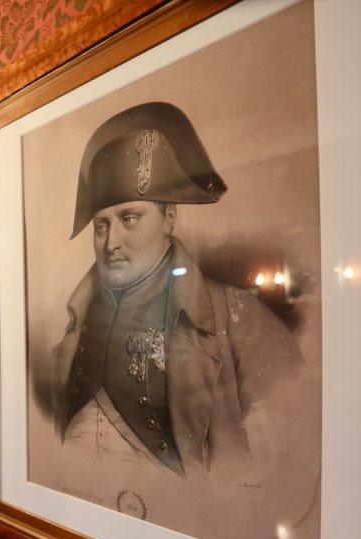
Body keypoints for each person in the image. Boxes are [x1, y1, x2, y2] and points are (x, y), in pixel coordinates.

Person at [50, 101, 303, 479]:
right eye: (101, 226)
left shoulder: (241, 323)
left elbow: (292, 459)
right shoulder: (73, 327)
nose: (111, 242)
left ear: (169, 218)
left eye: (129, 219)